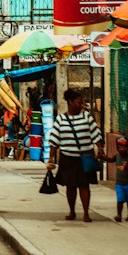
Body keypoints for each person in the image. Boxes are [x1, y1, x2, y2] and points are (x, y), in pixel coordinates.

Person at [48, 87, 104, 222]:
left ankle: (86, 213)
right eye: (78, 103)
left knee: (84, 185)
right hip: (68, 158)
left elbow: (95, 134)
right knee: (70, 186)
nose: (81, 105)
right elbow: (54, 141)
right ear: (70, 103)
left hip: (85, 157)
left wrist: (100, 148)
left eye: (82, 103)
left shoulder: (87, 117)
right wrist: (50, 158)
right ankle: (72, 211)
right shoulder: (61, 120)